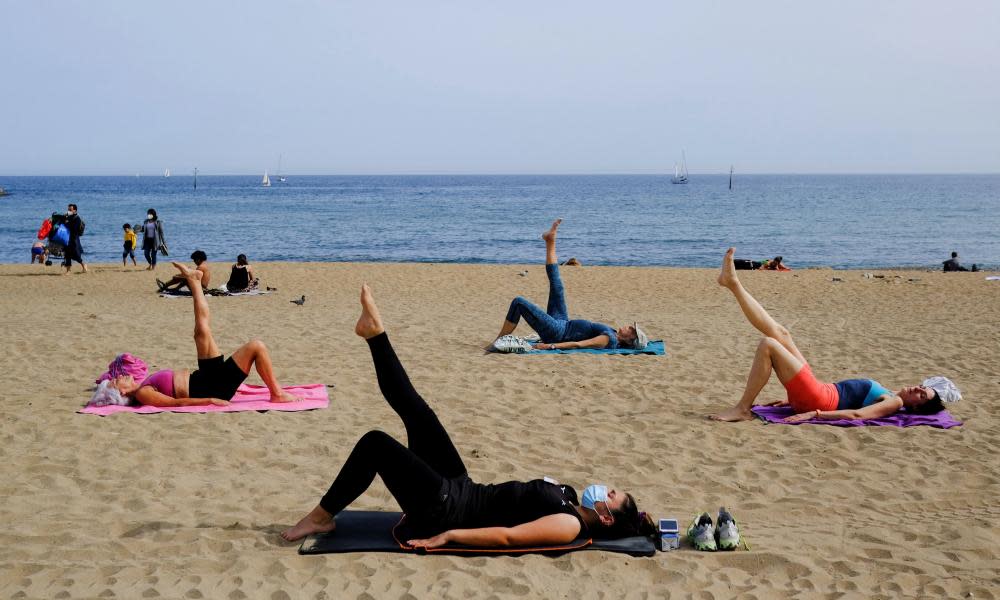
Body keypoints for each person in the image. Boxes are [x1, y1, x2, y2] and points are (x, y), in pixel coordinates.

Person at [281, 284, 656, 546]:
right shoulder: (569, 498)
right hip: (461, 488)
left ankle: (320, 516)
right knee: (418, 412)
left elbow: (507, 537)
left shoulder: (568, 525)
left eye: (610, 494)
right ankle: (375, 335)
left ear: (605, 517)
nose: (603, 487)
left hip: (445, 512)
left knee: (376, 444)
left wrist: (450, 536)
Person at [710, 248, 960, 422]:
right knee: (781, 333)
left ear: (916, 406)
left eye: (921, 394)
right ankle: (733, 283)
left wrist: (814, 413)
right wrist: (791, 402)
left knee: (769, 344)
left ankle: (743, 409)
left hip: (816, 398)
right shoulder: (890, 393)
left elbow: (857, 415)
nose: (918, 388)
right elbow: (850, 402)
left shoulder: (893, 402)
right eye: (923, 388)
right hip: (817, 392)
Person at [110, 262, 300, 407]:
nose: (119, 377)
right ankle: (277, 394)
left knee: (201, 330)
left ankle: (194, 281)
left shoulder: (143, 383)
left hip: (205, 377)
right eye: (116, 382)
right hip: (213, 387)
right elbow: (177, 404)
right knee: (257, 346)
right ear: (122, 394)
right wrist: (210, 400)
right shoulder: (142, 394)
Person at [490, 219, 649, 351]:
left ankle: (497, 342)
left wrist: (549, 346)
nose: (629, 327)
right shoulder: (613, 334)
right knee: (557, 286)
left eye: (632, 330)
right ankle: (550, 240)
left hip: (558, 333)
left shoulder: (609, 340)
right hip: (563, 323)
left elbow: (579, 344)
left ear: (630, 339)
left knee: (519, 302)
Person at [62, 203, 88, 274]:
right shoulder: (68, 217)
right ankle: (68, 270)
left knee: (76, 255)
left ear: (75, 210)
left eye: (70, 209)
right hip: (67, 238)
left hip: (74, 239)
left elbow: (74, 229)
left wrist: (67, 223)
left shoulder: (77, 218)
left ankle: (83, 265)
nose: (69, 211)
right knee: (67, 254)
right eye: (68, 209)